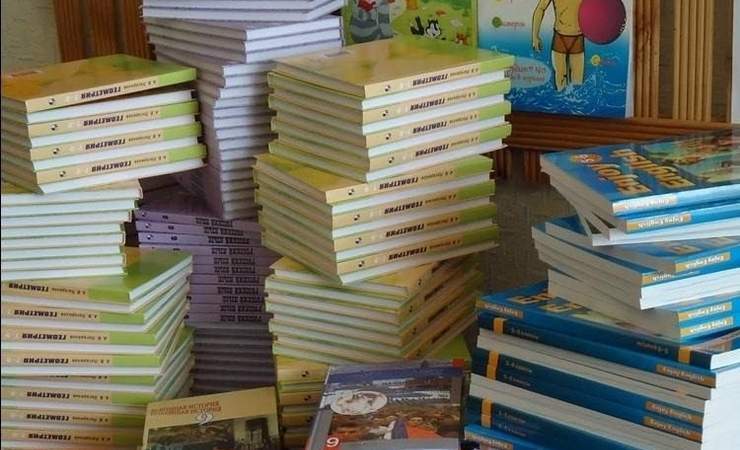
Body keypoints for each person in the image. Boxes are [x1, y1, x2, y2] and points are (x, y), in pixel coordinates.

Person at [531, 0, 585, 91]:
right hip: (560, 38)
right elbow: (540, 8)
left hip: (577, 38)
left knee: (577, 84)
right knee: (561, 85)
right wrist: (535, 36)